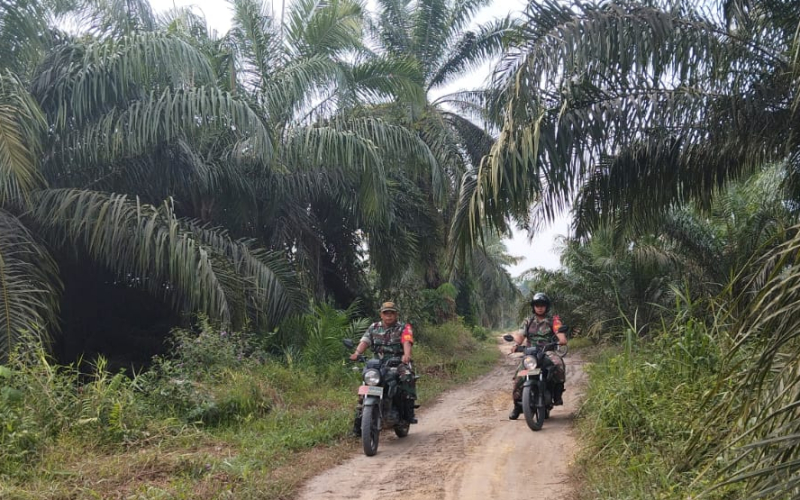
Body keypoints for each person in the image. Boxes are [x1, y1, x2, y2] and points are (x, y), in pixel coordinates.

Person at [349, 301, 418, 436]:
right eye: (386, 313)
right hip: (377, 364)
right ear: (381, 314)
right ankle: (358, 426)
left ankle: (408, 412)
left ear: (396, 314)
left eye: (392, 313)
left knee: (407, 376)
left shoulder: (404, 328)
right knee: (365, 388)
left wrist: (406, 355)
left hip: (398, 363)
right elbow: (365, 341)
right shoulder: (374, 327)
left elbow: (406, 342)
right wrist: (357, 353)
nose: (389, 316)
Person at [508, 292, 568, 420]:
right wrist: (516, 344)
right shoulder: (528, 321)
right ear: (533, 307)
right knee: (519, 376)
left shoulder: (554, 321)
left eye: (542, 305)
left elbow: (561, 336)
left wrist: (561, 340)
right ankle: (517, 406)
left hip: (548, 351)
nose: (540, 307)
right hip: (531, 353)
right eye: (537, 305)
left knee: (558, 364)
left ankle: (557, 394)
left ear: (547, 307)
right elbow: (520, 336)